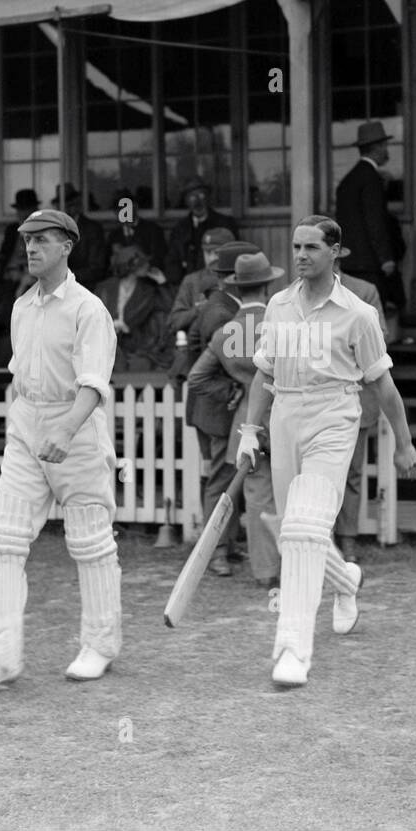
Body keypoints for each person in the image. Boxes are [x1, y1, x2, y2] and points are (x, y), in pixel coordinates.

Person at [236, 215, 416, 688]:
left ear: (336, 253)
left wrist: (405, 444)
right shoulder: (277, 305)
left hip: (335, 418)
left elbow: (383, 385)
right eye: (296, 246)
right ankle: (345, 581)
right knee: (289, 527)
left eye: (312, 247)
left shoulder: (359, 314)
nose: (300, 255)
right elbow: (263, 375)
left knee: (302, 527)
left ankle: (292, 649)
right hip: (285, 417)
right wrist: (249, 431)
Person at [0, 206, 122, 690]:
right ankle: (1, 658)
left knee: (90, 542)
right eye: (27, 240)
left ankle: (99, 645)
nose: (30, 248)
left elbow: (94, 384)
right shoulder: (20, 306)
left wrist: (66, 429)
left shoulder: (89, 309)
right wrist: (29, 425)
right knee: (3, 540)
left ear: (67, 247)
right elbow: (21, 377)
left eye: (43, 240)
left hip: (76, 424)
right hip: (27, 424)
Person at [187, 252, 286, 588]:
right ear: (268, 285)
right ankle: (301, 566)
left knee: (257, 497)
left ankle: (265, 571)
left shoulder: (225, 333)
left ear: (237, 289)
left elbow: (197, 379)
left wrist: (231, 390)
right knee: (297, 491)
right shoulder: (284, 324)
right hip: (287, 417)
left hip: (246, 422)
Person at [331, 245, 389, 561]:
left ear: (337, 259)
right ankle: (320, 541)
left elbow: (379, 339)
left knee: (351, 472)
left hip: (355, 394)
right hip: (314, 399)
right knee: (316, 474)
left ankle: (348, 539)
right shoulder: (295, 295)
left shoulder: (364, 292)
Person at [334, 120, 402, 300]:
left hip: (348, 262)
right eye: (385, 145)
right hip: (369, 264)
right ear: (376, 147)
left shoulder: (348, 180)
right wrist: (386, 258)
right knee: (373, 317)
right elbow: (375, 222)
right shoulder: (371, 179)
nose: (387, 150)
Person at [95, 245, 173, 372]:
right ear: (128, 266)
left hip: (135, 347)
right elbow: (93, 315)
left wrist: (162, 282)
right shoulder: (105, 288)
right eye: (142, 263)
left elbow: (170, 308)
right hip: (105, 344)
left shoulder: (148, 290)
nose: (147, 265)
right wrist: (110, 326)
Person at [165, 177, 239, 286]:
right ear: (186, 201)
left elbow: (234, 256)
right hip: (190, 285)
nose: (197, 202)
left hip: (221, 282)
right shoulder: (180, 230)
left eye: (201, 195)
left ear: (208, 197)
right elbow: (172, 262)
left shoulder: (225, 224)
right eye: (192, 197)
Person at [167, 227, 235, 343]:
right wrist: (199, 309)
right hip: (197, 347)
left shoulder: (239, 279)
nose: (211, 258)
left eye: (217, 253)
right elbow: (173, 322)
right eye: (207, 252)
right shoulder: (191, 281)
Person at [55, 183, 109, 291]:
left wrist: (65, 277)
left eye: (68, 204)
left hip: (84, 288)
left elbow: (97, 269)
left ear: (76, 206)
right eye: (59, 205)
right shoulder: (55, 229)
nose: (62, 209)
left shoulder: (92, 229)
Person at [107, 202, 168, 272]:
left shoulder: (153, 230)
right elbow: (109, 262)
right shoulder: (114, 234)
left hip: (147, 275)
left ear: (135, 207)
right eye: (117, 210)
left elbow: (159, 257)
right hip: (121, 277)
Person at [0, 188, 42, 285]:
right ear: (17, 212)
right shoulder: (11, 230)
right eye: (21, 209)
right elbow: (3, 255)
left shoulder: (44, 230)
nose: (25, 214)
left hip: (34, 277)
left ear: (36, 210)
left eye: (28, 209)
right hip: (10, 278)